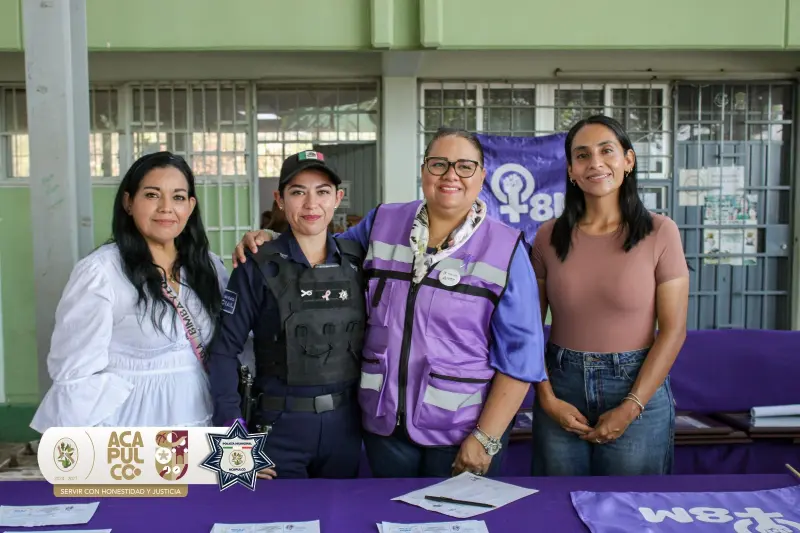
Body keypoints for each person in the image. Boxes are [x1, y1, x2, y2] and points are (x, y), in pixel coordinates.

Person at [233, 128, 547, 478]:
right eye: (439, 164)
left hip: (461, 432)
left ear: (482, 175)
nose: (450, 176)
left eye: (465, 166)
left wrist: (486, 437)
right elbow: (318, 252)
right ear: (424, 170)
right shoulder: (382, 223)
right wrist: (270, 241)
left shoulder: (505, 249)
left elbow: (522, 356)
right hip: (384, 430)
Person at [530, 115, 689, 477]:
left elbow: (674, 330)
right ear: (571, 170)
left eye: (607, 151)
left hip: (636, 385)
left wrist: (631, 406)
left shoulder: (661, 232)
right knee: (558, 506)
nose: (595, 163)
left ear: (628, 161)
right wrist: (547, 398)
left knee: (632, 511)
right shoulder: (547, 237)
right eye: (582, 155)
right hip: (560, 382)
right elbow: (527, 328)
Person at [30, 151, 231, 432]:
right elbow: (74, 372)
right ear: (128, 202)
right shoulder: (101, 273)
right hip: (131, 434)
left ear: (191, 205)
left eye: (178, 197)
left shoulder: (208, 267)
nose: (166, 208)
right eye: (151, 195)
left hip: (203, 420)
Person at [207, 150, 365, 480]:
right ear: (280, 200)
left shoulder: (360, 261)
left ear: (338, 198)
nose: (311, 205)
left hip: (346, 429)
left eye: (322, 192)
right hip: (279, 432)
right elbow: (223, 351)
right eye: (297, 192)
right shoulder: (257, 264)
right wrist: (235, 441)